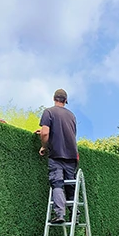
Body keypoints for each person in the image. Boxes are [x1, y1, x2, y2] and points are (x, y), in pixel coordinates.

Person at [39, 89, 79, 223]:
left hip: (56, 155)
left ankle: (59, 215)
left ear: (54, 98)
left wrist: (44, 146)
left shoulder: (48, 112)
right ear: (65, 101)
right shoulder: (72, 116)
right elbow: (67, 132)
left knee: (57, 184)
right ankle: (75, 215)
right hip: (72, 156)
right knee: (70, 186)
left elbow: (45, 133)